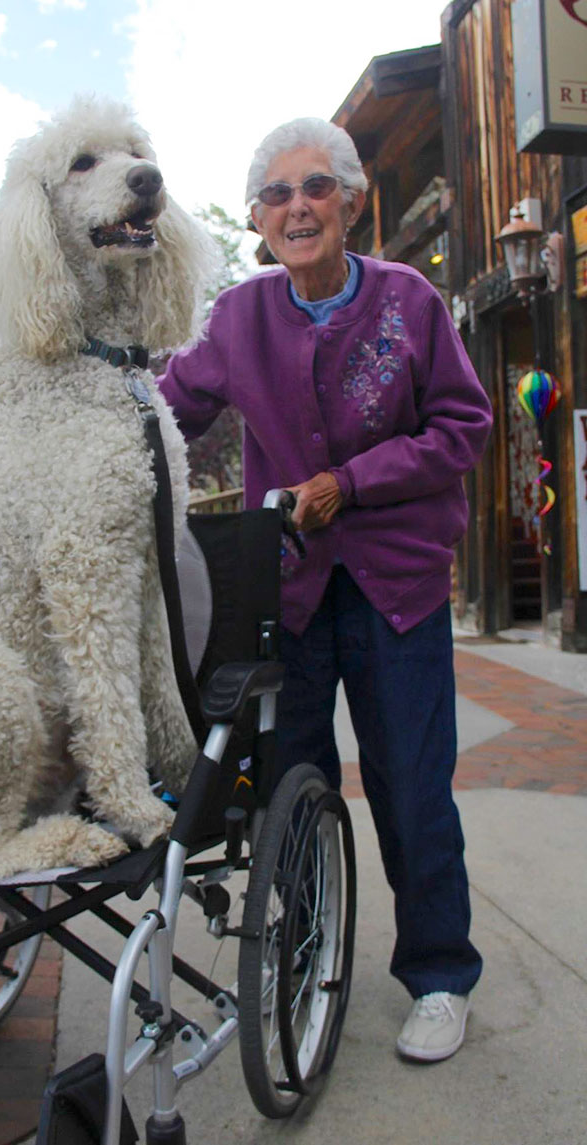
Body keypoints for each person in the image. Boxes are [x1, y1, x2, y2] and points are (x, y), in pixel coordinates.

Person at [158, 117, 492, 1063]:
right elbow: (168, 410)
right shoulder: (238, 317)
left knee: (412, 784)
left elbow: (463, 427)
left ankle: (437, 974)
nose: (295, 207)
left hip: (398, 586)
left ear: (350, 200)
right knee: (287, 787)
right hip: (291, 594)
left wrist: (355, 481)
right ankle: (301, 958)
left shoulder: (408, 300)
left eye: (314, 188)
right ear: (259, 218)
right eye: (275, 194)